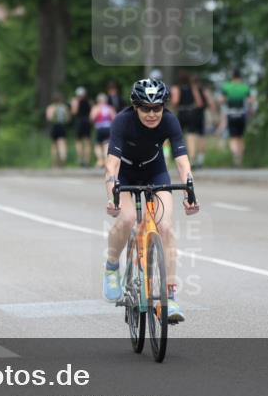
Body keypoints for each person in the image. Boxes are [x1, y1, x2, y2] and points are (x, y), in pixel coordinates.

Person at [102, 78, 199, 324]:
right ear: (135, 107)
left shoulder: (169, 120)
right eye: (146, 108)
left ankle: (170, 295)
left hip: (155, 171)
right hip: (125, 173)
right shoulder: (122, 121)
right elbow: (112, 163)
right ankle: (112, 266)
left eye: (157, 108)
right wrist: (111, 191)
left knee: (165, 227)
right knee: (128, 218)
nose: (152, 114)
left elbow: (181, 159)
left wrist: (190, 190)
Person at [171, 73, 210, 168]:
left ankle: (179, 158)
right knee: (191, 136)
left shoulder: (176, 88)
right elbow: (199, 103)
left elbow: (175, 102)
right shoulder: (193, 88)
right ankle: (192, 159)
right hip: (192, 113)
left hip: (181, 113)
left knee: (178, 136)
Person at [220, 69, 254, 167]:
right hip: (242, 114)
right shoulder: (244, 87)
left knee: (233, 137)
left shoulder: (227, 87)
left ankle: (235, 155)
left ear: (232, 76)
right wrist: (250, 110)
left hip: (231, 114)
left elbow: (222, 100)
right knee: (240, 136)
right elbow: (250, 100)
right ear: (240, 77)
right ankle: (241, 157)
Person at [90, 93, 116, 168]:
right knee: (106, 145)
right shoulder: (110, 108)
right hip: (108, 128)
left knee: (97, 145)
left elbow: (92, 118)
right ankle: (105, 160)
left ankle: (100, 160)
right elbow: (114, 118)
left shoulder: (96, 108)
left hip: (99, 128)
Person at [45, 94, 70, 168]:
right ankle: (63, 159)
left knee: (54, 145)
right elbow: (68, 118)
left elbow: (49, 118)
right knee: (62, 144)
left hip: (54, 126)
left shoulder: (51, 107)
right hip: (62, 126)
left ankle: (55, 163)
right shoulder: (64, 107)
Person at [71, 87, 93, 168]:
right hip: (87, 121)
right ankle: (87, 161)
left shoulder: (76, 101)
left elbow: (74, 112)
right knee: (87, 142)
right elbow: (91, 112)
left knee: (78, 141)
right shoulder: (89, 101)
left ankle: (80, 159)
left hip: (79, 122)